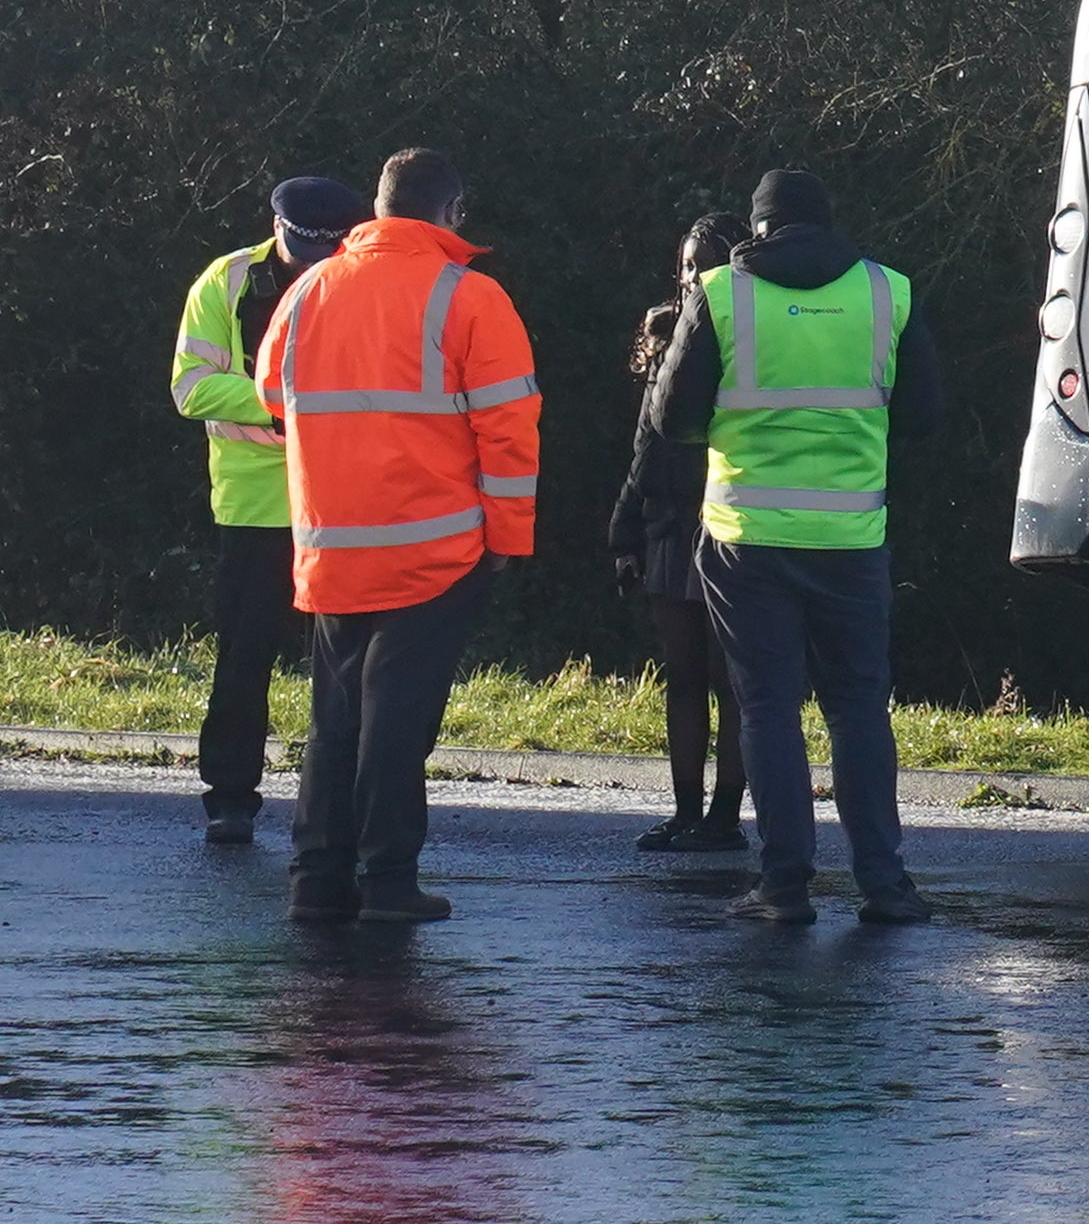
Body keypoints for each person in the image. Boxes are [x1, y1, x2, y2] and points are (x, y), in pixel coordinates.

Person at [629, 167, 939, 926]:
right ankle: (884, 884)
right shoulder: (885, 292)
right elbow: (925, 415)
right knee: (858, 707)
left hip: (748, 536)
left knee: (767, 706)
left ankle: (785, 885)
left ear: (759, 229)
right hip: (851, 535)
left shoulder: (724, 293)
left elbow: (672, 418)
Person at [255, 147, 538, 924]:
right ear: (451, 212)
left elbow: (271, 395)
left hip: (331, 542)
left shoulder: (309, 288)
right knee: (396, 716)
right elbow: (509, 431)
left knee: (336, 714)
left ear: (377, 208)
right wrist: (508, 539)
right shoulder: (470, 297)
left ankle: (318, 880)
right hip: (435, 548)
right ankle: (388, 882)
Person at [164, 173, 370, 845]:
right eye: (300, 246)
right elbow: (191, 387)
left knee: (343, 665)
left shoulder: (359, 278)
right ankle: (229, 796)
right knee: (244, 655)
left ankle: (337, 802)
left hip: (342, 500)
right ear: (276, 228)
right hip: (255, 507)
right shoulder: (224, 282)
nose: (311, 260)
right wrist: (285, 403)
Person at [605, 213, 748, 852]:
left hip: (728, 524)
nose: (694, 277)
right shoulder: (665, 333)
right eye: (687, 264)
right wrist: (624, 530)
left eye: (706, 263)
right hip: (669, 530)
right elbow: (645, 446)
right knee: (684, 678)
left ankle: (725, 819)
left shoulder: (750, 333)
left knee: (731, 684)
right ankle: (687, 812)